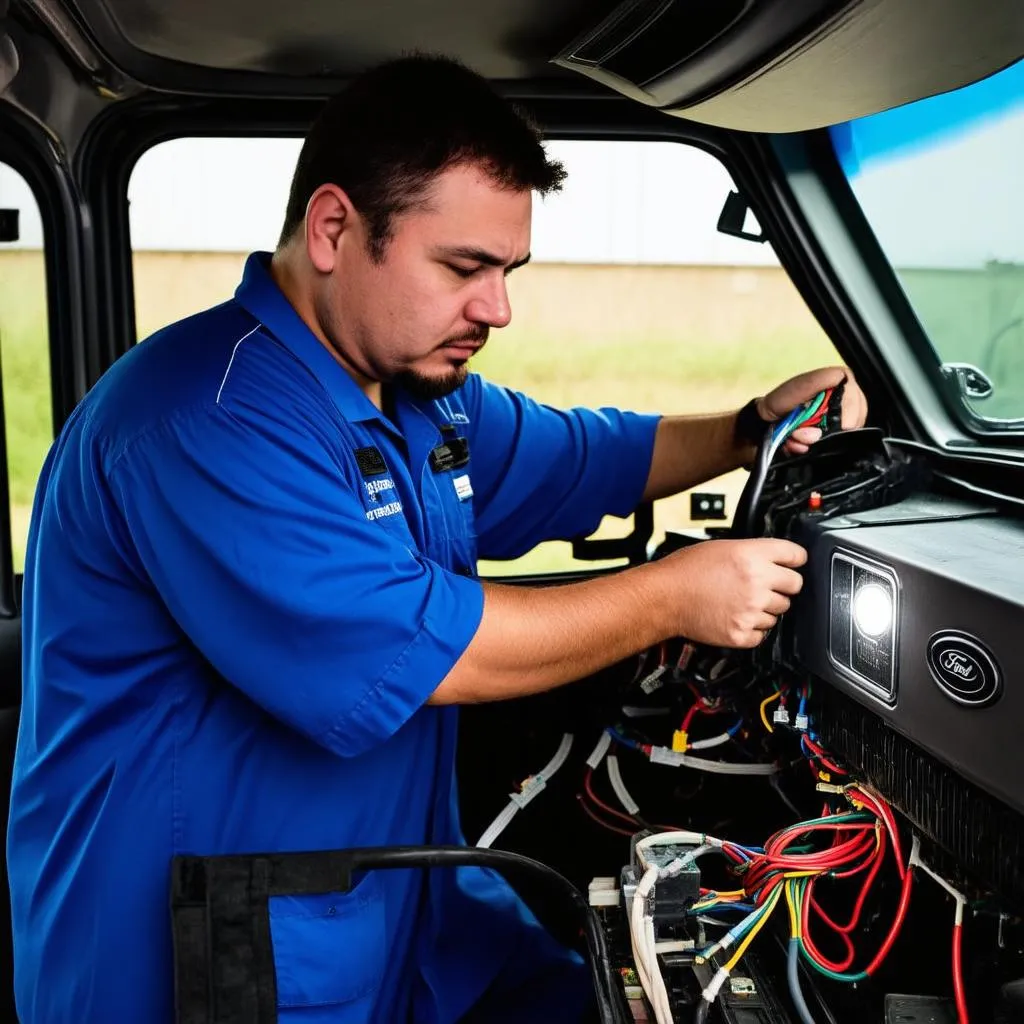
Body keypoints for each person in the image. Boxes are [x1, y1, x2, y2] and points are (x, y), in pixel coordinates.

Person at [6, 54, 868, 1024]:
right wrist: (676, 594)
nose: (497, 307)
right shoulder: (206, 418)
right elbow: (420, 644)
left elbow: (586, 456)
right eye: (464, 268)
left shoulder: (415, 394)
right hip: (203, 948)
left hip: (391, 907)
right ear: (334, 229)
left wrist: (751, 427)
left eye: (508, 271)